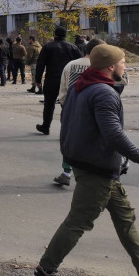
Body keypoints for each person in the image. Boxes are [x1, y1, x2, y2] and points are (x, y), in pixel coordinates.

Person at [33, 44, 139, 276]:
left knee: (125, 218)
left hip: (90, 164)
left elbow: (69, 122)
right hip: (96, 169)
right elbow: (113, 134)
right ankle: (46, 270)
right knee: (78, 222)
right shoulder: (104, 93)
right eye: (123, 62)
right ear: (111, 66)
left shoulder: (80, 84)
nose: (125, 66)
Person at [51, 38, 105, 186]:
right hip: (97, 109)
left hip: (71, 108)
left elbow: (62, 90)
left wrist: (65, 105)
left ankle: (66, 172)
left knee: (70, 140)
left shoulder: (71, 65)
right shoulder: (103, 66)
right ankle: (93, 173)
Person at [34, 27, 82, 135]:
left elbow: (40, 64)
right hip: (68, 80)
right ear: (65, 35)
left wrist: (38, 80)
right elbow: (80, 61)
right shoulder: (72, 47)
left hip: (51, 79)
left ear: (54, 34)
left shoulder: (47, 47)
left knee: (49, 104)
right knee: (66, 105)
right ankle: (66, 129)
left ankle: (46, 126)